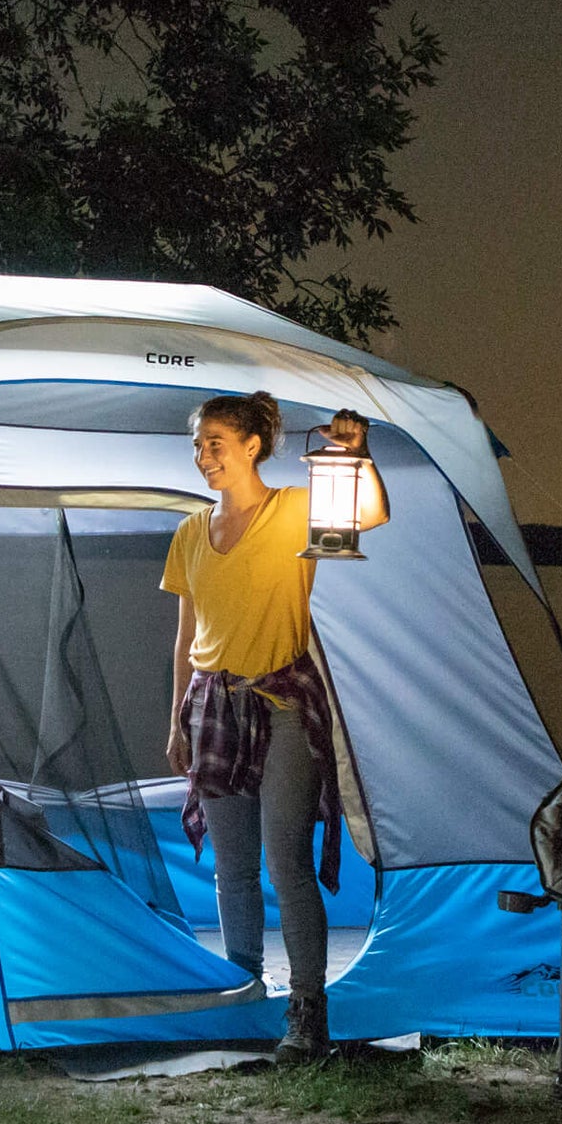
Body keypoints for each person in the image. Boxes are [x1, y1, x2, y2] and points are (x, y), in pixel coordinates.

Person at [161, 394, 389, 1063]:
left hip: (284, 700)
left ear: (253, 445)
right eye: (198, 445)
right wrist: (177, 719)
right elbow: (184, 639)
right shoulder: (190, 532)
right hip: (212, 704)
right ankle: (241, 991)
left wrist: (355, 456)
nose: (204, 457)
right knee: (232, 872)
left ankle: (307, 1012)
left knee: (285, 862)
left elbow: (370, 514)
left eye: (216, 443)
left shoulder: (292, 508)